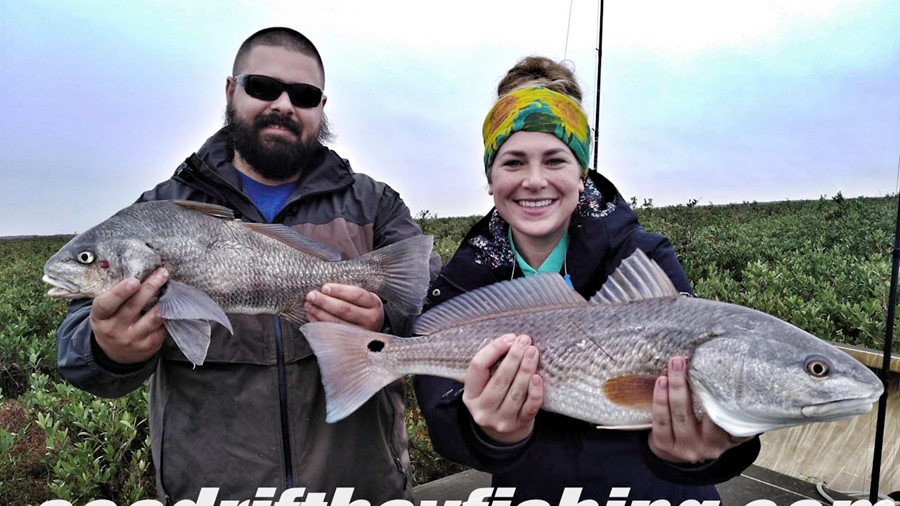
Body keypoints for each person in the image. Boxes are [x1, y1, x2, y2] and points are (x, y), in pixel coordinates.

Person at [56, 27, 432, 503]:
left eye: (304, 95)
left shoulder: (374, 205)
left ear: (321, 107)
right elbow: (75, 351)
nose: (283, 104)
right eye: (262, 87)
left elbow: (433, 305)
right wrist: (108, 346)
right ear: (232, 90)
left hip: (360, 490)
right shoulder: (157, 210)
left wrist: (384, 319)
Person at [414, 56, 761, 504]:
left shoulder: (643, 258)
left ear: (582, 172)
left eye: (556, 160)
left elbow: (707, 389)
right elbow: (440, 409)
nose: (534, 181)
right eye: (513, 162)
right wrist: (487, 433)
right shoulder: (465, 277)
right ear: (490, 177)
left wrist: (701, 453)